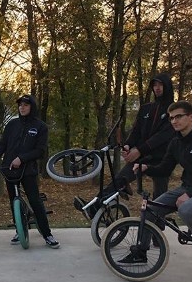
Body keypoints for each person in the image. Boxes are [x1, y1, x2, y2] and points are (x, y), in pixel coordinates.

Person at [122, 101, 192, 269]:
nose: (174, 121)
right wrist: (146, 168)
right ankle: (140, 253)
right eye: (171, 118)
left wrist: (190, 194)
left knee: (186, 208)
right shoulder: (175, 143)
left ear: (191, 117)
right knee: (149, 209)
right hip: (188, 188)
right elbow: (165, 169)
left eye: (179, 116)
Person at [74, 73, 175, 219]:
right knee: (119, 180)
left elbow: (163, 136)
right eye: (154, 85)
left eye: (160, 85)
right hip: (140, 157)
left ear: (167, 86)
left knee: (159, 197)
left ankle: (157, 231)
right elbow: (136, 130)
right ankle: (93, 207)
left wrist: (139, 150)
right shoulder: (146, 108)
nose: (157, 88)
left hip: (161, 159)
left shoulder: (173, 110)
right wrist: (128, 145)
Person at [0, 94, 59, 248]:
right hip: (9, 169)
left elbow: (40, 151)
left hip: (28, 170)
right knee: (14, 201)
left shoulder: (40, 126)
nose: (22, 107)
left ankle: (47, 234)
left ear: (32, 107)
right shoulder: (12, 124)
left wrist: (22, 158)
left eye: (26, 105)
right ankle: (20, 230)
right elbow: (2, 145)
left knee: (35, 201)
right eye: (20, 105)